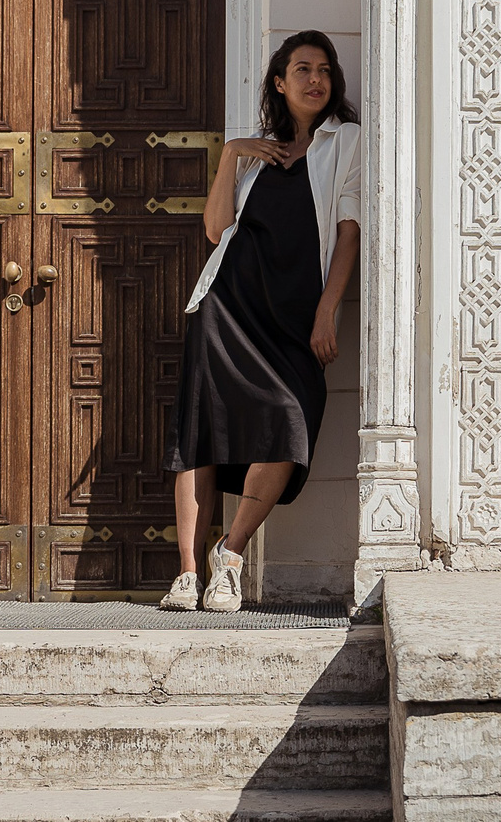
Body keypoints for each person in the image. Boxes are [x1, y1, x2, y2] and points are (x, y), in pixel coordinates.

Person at [159, 30, 361, 612]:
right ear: (280, 80)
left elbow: (349, 232)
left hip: (294, 317)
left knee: (290, 419)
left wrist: (328, 312)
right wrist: (231, 154)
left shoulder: (345, 142)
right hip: (227, 309)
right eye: (302, 68)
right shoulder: (257, 156)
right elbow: (216, 229)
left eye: (324, 69)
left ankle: (232, 551)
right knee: (200, 440)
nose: (315, 79)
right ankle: (189, 575)